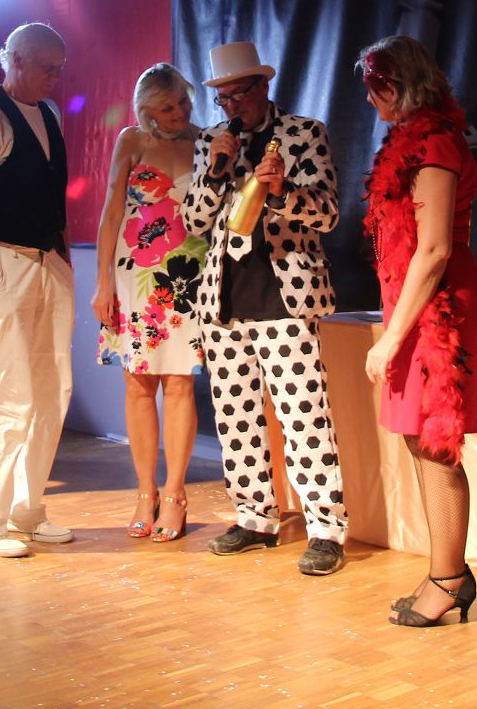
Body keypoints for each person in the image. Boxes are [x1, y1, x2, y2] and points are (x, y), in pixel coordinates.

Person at [182, 41, 349, 577]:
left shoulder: (304, 134)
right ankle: (255, 517)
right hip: (224, 298)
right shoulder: (211, 141)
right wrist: (215, 172)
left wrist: (282, 194)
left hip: (285, 294)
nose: (230, 106)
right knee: (235, 417)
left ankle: (326, 529)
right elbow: (193, 221)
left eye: (238, 95)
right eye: (223, 98)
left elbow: (328, 213)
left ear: (263, 86)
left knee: (304, 416)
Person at [357, 36, 477, 626]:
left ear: (400, 84)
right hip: (411, 302)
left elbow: (433, 251)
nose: (370, 99)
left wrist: (391, 338)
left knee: (435, 440)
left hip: (439, 309)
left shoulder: (436, 142)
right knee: (418, 438)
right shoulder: (406, 141)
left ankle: (449, 579)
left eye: (376, 87)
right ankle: (445, 570)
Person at [0, 23, 75, 558]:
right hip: (6, 262)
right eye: (48, 67)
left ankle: (27, 509)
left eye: (59, 68)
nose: (56, 76)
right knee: (3, 392)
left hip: (48, 264)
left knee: (50, 391)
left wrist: (64, 263)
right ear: (17, 59)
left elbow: (53, 198)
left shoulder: (49, 114)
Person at [92, 63, 208, 542]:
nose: (179, 112)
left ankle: (176, 493)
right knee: (138, 384)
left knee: (180, 383)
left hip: (187, 277)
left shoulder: (207, 141)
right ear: (147, 111)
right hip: (134, 275)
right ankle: (145, 491)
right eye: (167, 106)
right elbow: (111, 212)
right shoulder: (131, 141)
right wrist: (102, 283)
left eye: (182, 101)